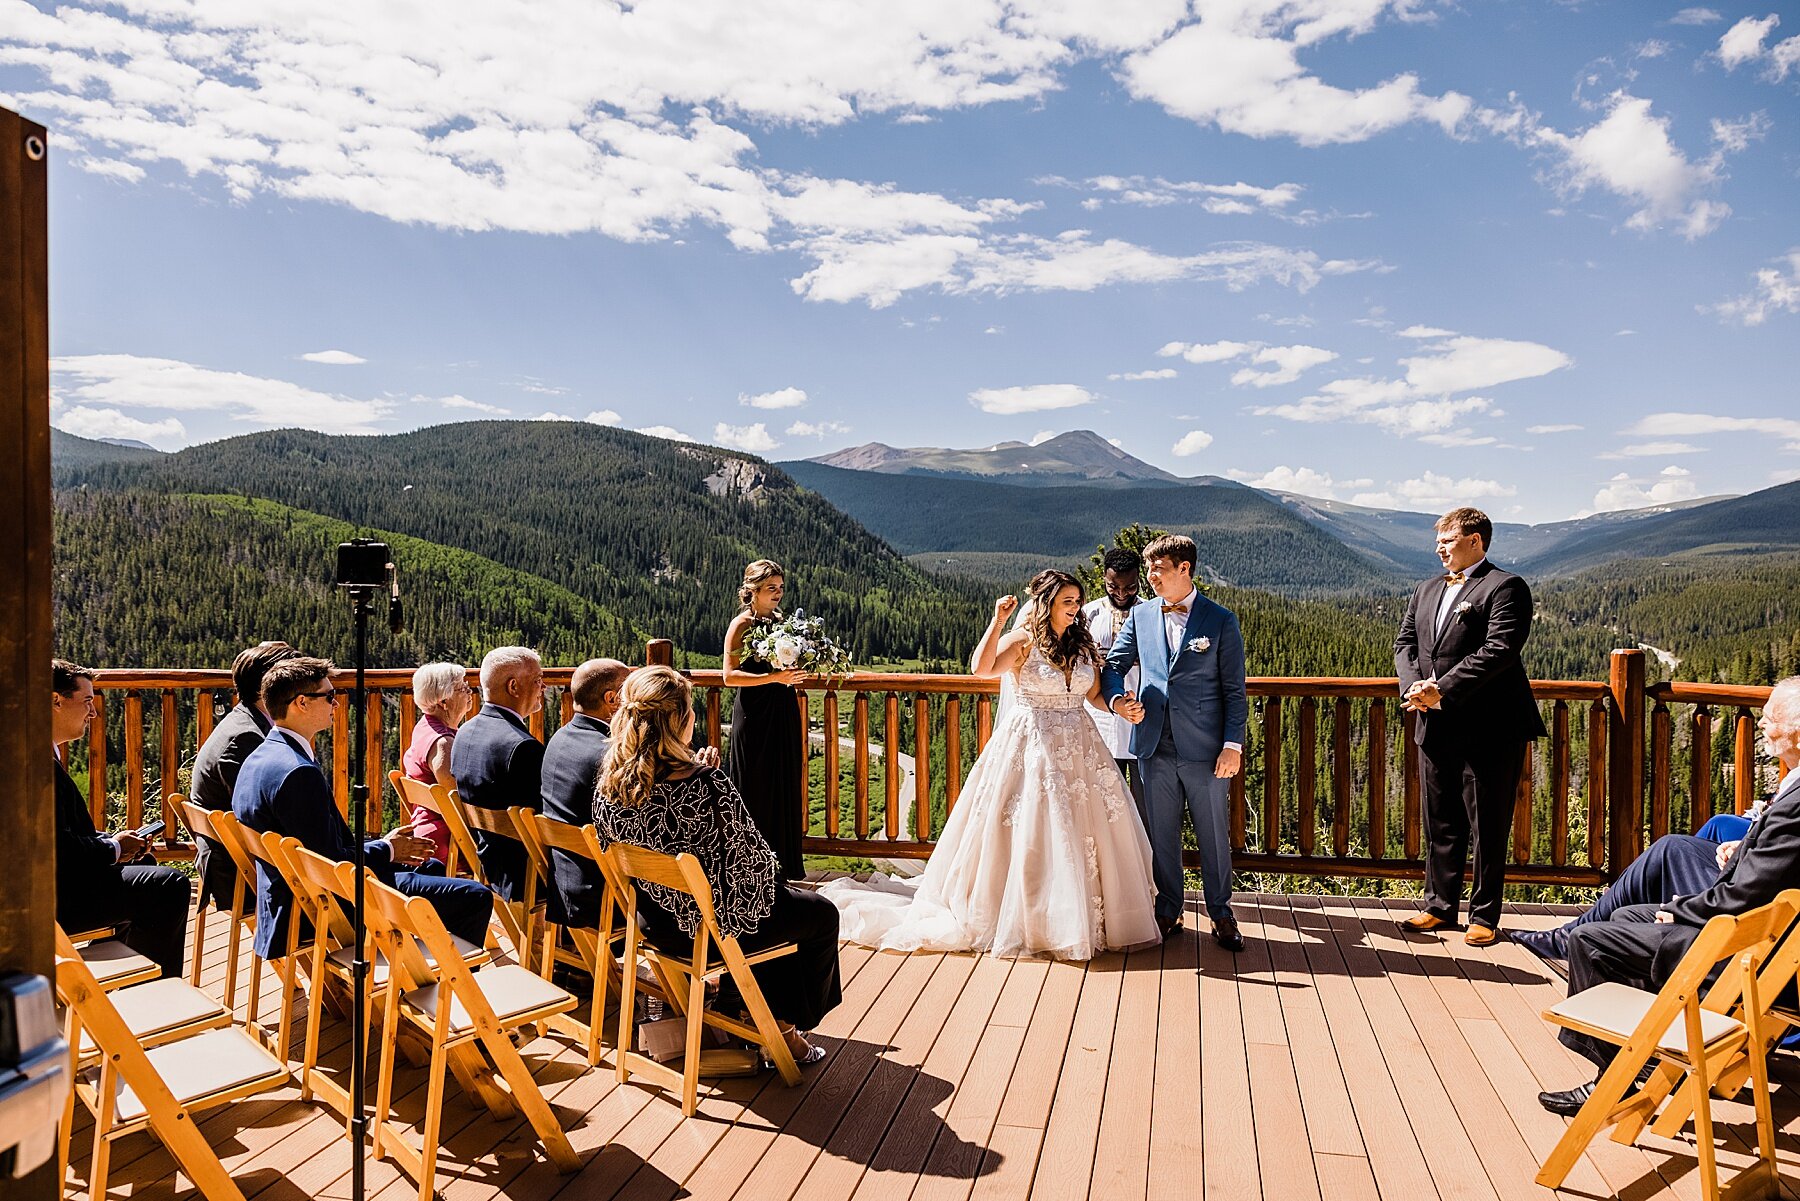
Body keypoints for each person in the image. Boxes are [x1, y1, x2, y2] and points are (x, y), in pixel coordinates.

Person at [819, 569, 1160, 960]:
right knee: (1032, 830)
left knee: (1084, 832)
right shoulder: (1023, 642)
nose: (1075, 608)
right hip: (1032, 744)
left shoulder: (1082, 644)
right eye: (1068, 602)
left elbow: (1096, 694)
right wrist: (998, 621)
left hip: (1081, 745)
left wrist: (1120, 706)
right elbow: (980, 669)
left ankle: (1079, 917)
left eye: (1078, 602)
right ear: (1047, 604)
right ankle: (1028, 919)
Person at [1538, 676, 1800, 1115]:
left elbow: (1744, 895)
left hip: (1744, 956)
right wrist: (1748, 845)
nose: (1762, 725)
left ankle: (1618, 1077)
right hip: (1759, 940)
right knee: (1623, 920)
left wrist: (1680, 912)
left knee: (1593, 942)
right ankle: (1638, 1061)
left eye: (1770, 718)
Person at [593, 665, 839, 1064]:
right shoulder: (707, 785)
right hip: (706, 937)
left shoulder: (610, 785)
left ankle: (735, 1005)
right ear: (683, 722)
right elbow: (757, 868)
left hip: (654, 927)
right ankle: (785, 1028)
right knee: (815, 913)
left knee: (769, 909)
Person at [235, 656, 492, 959]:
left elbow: (319, 848)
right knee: (474, 896)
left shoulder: (262, 756)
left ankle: (420, 970)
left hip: (293, 897)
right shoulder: (297, 772)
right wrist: (389, 849)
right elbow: (330, 861)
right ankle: (444, 990)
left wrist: (388, 847)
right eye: (329, 696)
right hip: (326, 907)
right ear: (301, 703)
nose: (336, 704)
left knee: (431, 867)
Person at [1394, 507, 1546, 947]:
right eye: (1438, 541)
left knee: (1487, 823)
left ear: (1476, 540)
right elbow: (1405, 644)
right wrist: (1415, 688)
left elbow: (1500, 650)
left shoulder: (1506, 587)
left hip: (1490, 727)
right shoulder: (1425, 589)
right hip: (1434, 719)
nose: (1439, 548)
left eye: (1447, 540)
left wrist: (1441, 687)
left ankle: (1484, 915)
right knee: (1440, 819)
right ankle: (1439, 907)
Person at [1100, 534, 1249, 951]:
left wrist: (1231, 745)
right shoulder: (1142, 615)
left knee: (1213, 836)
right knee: (1160, 834)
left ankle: (1221, 912)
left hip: (1206, 750)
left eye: (1158, 570)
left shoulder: (1220, 620)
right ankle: (1169, 909)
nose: (1150, 578)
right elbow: (1114, 665)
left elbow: (1234, 691)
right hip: (1152, 745)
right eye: (1149, 569)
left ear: (1185, 569)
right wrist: (1116, 700)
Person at [52, 659, 191, 979]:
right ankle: (154, 990)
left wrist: (111, 843)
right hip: (51, 895)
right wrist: (113, 848)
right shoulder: (35, 763)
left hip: (58, 881)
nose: (93, 712)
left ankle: (131, 977)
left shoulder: (47, 751)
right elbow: (58, 846)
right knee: (169, 885)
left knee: (148, 868)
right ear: (55, 700)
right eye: (87, 700)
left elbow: (62, 833)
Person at [1514, 812, 1756, 962]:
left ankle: (1575, 935)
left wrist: (1745, 851)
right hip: (1763, 889)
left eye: (1772, 723)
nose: (1762, 724)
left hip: (1754, 907)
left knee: (1670, 849)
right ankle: (1627, 903)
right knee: (1716, 826)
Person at [189, 640, 299, 915]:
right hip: (240, 874)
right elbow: (264, 817)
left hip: (233, 862)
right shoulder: (246, 738)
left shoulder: (244, 722)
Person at [723, 559, 807, 880]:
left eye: (781, 588)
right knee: (755, 784)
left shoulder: (781, 621)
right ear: (753, 591)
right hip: (754, 713)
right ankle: (750, 867)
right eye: (772, 588)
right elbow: (730, 677)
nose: (778, 594)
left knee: (784, 779)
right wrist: (774, 678)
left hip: (782, 707)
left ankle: (781, 866)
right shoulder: (740, 625)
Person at [450, 646, 546, 901]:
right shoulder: (522, 747)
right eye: (538, 680)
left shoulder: (465, 732)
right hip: (525, 878)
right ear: (513, 687)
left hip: (489, 865)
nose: (544, 687)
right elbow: (543, 825)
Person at [1083, 548, 1145, 818]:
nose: (1121, 594)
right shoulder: (1088, 614)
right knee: (1106, 801)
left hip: (1142, 712)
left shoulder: (1151, 613)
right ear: (1104, 580)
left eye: (1129, 587)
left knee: (1144, 804)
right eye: (1113, 587)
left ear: (1138, 581)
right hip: (1102, 717)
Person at [401, 661, 476, 865]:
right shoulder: (443, 743)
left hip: (432, 831)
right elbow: (459, 804)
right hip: (446, 844)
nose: (470, 691)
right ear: (444, 701)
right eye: (463, 688)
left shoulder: (424, 725)